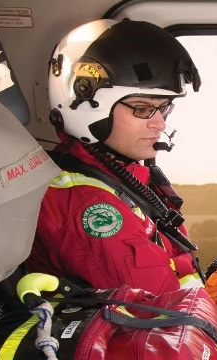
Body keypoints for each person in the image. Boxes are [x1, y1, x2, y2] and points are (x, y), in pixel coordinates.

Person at [28, 19, 203, 294]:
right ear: (85, 102)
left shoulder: (120, 177)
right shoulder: (89, 208)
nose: (159, 124)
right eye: (142, 108)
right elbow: (158, 311)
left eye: (164, 108)